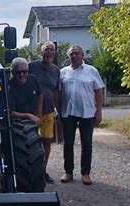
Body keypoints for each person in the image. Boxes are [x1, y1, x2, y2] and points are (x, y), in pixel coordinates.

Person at [58, 45, 104, 185]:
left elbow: (99, 92)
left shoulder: (91, 71)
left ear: (82, 55)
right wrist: (58, 111)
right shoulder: (63, 72)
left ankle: (85, 174)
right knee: (68, 144)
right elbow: (59, 93)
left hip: (87, 112)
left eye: (77, 53)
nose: (74, 56)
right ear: (68, 56)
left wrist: (99, 111)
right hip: (68, 112)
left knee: (86, 144)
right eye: (72, 54)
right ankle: (68, 172)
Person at [8, 57, 44, 192]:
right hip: (18, 123)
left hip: (33, 121)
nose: (22, 75)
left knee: (41, 147)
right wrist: (29, 116)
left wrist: (38, 114)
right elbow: (10, 112)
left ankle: (41, 173)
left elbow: (40, 95)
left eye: (25, 71)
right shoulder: (10, 87)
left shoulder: (33, 79)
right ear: (13, 73)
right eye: (18, 72)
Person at [28, 42, 60, 184]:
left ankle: (43, 170)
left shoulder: (56, 71)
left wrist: (59, 110)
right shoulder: (31, 66)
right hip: (32, 112)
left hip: (48, 112)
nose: (49, 52)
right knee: (32, 142)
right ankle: (30, 171)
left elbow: (56, 92)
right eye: (46, 50)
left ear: (54, 53)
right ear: (41, 53)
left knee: (47, 141)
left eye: (51, 50)